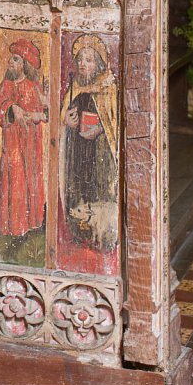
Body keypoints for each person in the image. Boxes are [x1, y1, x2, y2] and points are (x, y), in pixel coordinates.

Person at [61, 33, 118, 248]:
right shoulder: (75, 88)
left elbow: (113, 122)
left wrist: (100, 129)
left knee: (97, 188)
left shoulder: (108, 88)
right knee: (78, 188)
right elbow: (64, 116)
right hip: (78, 150)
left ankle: (102, 235)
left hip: (99, 153)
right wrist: (66, 121)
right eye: (80, 59)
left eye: (89, 59)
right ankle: (78, 232)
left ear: (99, 64)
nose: (83, 64)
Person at [0, 38, 48, 236]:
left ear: (25, 64)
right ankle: (13, 226)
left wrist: (35, 114)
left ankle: (32, 222)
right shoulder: (6, 84)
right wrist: (12, 107)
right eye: (11, 59)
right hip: (12, 140)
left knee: (30, 177)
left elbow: (46, 113)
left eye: (15, 59)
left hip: (31, 141)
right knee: (14, 177)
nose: (10, 62)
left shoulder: (34, 86)